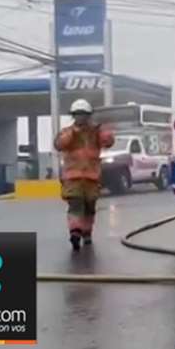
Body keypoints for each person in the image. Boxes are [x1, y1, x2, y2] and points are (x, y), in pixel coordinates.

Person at [54, 99, 114, 251]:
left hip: (92, 178)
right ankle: (75, 232)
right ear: (73, 116)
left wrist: (105, 132)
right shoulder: (67, 132)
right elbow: (59, 144)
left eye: (84, 115)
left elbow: (108, 142)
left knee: (89, 208)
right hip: (73, 177)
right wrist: (73, 134)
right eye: (78, 115)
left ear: (89, 116)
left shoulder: (96, 132)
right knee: (75, 205)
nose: (81, 118)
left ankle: (86, 233)